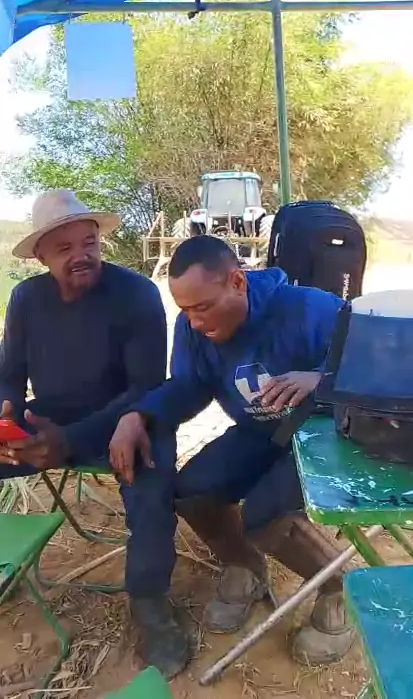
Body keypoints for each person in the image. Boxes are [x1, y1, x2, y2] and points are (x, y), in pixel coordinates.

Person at [6, 234, 353, 676]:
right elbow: (188, 387)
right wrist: (138, 414)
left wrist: (320, 380)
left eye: (202, 307)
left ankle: (337, 590)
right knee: (192, 491)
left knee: (265, 515)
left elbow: (376, 367)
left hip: (321, 436)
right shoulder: (193, 328)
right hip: (259, 432)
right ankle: (244, 566)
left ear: (237, 282)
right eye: (185, 310)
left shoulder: (310, 309)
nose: (194, 321)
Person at [0, 190, 180, 675]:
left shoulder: (136, 294)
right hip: (51, 421)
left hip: (128, 418)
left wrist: (71, 441)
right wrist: (8, 419)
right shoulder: (26, 299)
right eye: (64, 248)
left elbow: (147, 385)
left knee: (152, 481)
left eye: (89, 242)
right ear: (40, 256)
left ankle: (149, 603)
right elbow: (9, 375)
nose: (82, 255)